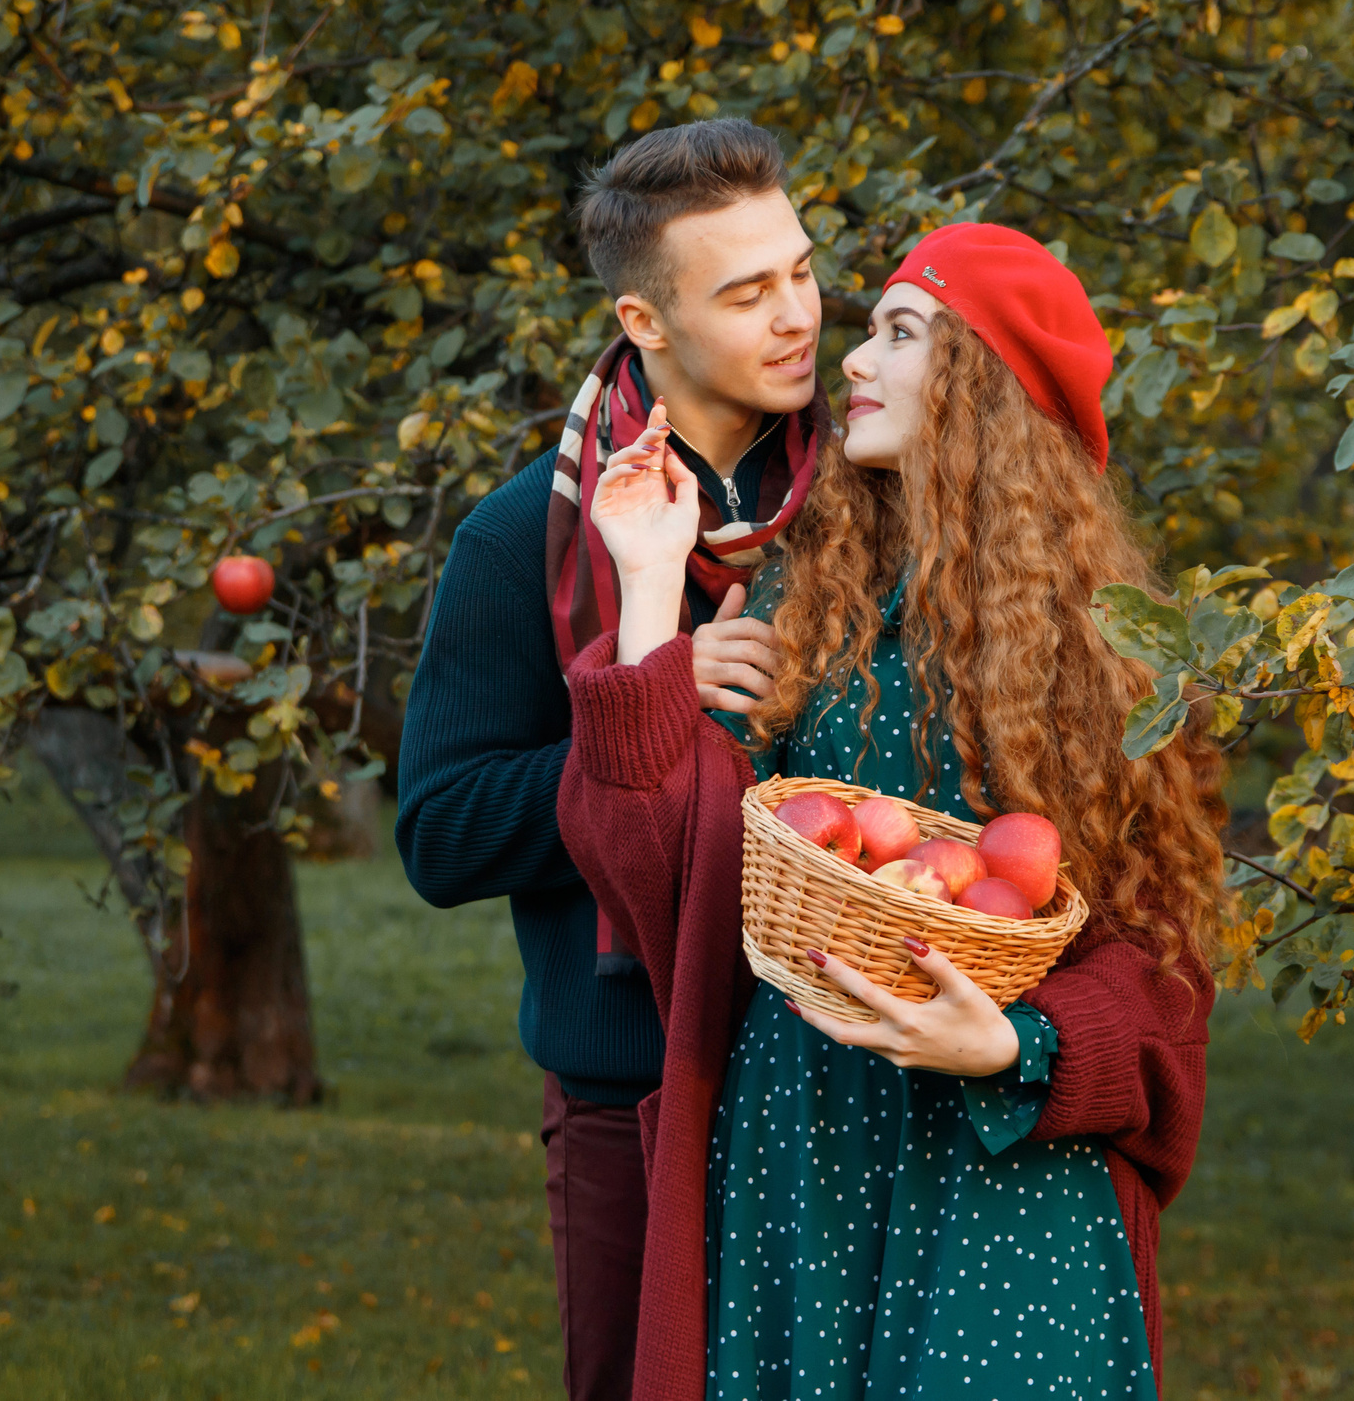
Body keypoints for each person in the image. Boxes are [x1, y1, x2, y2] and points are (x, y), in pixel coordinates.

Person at [554, 222, 1229, 1401]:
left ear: (984, 386)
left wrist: (1023, 1044)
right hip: (796, 1148)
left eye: (900, 333)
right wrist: (652, 586)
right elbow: (657, 879)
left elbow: (1164, 971)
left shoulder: (1107, 661)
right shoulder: (804, 607)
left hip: (997, 1171)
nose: (851, 361)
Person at [396, 118, 830, 1401]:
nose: (797, 315)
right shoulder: (523, 535)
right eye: (746, 292)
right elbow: (442, 833)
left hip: (849, 1065)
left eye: (801, 271)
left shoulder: (873, 509)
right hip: (631, 1084)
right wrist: (641, 707)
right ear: (644, 319)